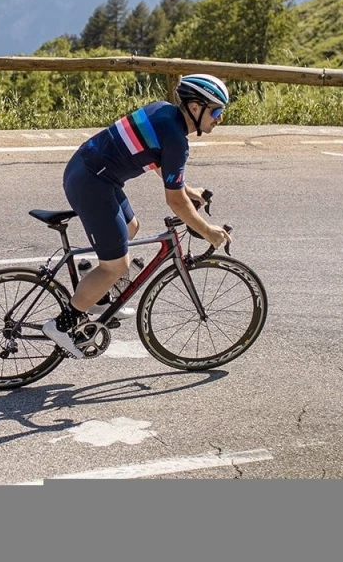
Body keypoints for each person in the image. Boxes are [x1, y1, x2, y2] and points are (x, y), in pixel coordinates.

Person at [42, 73, 233, 359]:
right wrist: (208, 231)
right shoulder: (177, 140)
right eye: (217, 111)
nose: (220, 118)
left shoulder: (163, 111)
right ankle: (62, 325)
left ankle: (96, 295)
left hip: (89, 170)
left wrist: (188, 189)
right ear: (195, 108)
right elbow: (176, 202)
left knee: (131, 227)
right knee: (116, 266)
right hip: (94, 183)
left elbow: (157, 159)